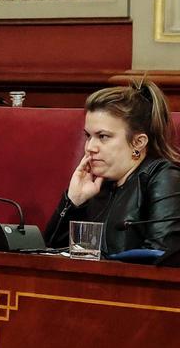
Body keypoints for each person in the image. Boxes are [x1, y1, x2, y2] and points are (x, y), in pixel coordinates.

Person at [45, 82, 180, 256]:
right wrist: (74, 202)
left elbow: (161, 257)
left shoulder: (163, 178)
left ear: (138, 142)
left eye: (103, 136)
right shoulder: (96, 186)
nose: (90, 147)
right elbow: (50, 254)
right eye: (88, 136)